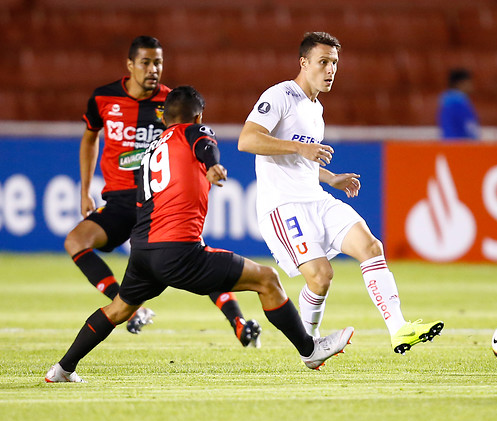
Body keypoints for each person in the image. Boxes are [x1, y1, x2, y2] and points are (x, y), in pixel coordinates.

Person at [45, 86, 354, 382]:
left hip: (143, 252)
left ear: (164, 119)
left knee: (118, 309)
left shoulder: (149, 152)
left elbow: (143, 203)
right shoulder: (195, 131)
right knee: (267, 279)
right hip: (179, 251)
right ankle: (309, 350)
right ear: (198, 117)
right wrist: (214, 166)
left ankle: (62, 368)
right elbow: (205, 146)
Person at [238, 32, 444, 355]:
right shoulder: (280, 96)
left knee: (371, 246)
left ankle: (399, 329)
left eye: (334, 63)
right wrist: (298, 148)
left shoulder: (315, 109)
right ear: (304, 63)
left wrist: (330, 177)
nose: (330, 69)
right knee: (321, 277)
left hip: (316, 199)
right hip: (283, 206)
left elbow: (299, 159)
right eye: (323, 62)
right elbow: (247, 140)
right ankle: (309, 345)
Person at [64, 36, 261, 346]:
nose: (153, 69)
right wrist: (85, 189)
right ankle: (128, 306)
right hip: (118, 201)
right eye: (146, 62)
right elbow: (90, 138)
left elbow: (194, 140)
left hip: (158, 199)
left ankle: (237, 321)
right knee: (76, 240)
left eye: (158, 63)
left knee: (193, 258)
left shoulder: (171, 104)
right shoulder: (103, 98)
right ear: (130, 65)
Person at [437, 68, 480, 140]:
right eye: (469, 82)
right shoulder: (454, 104)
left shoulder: (460, 102)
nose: (471, 85)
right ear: (460, 83)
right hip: (459, 146)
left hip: (460, 145)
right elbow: (467, 127)